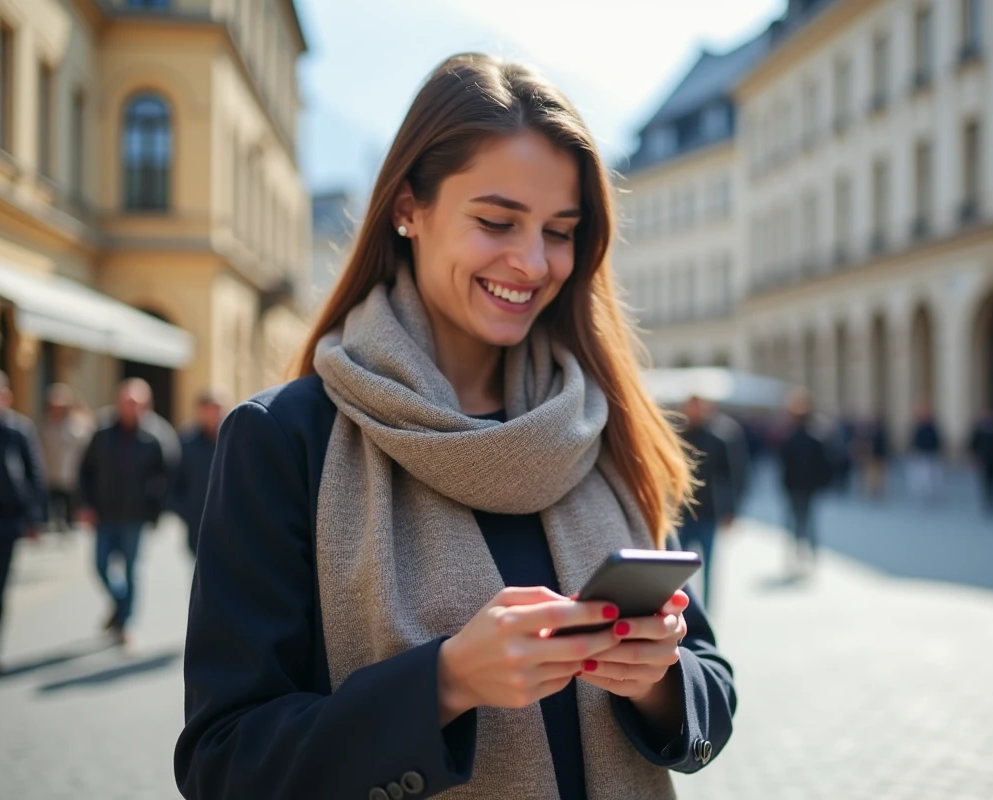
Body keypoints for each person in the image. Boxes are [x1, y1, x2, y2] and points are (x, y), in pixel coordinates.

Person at [174, 54, 736, 800]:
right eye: (497, 221)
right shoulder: (283, 440)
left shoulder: (598, 423)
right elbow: (223, 761)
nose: (533, 262)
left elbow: (709, 688)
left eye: (560, 231)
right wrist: (443, 684)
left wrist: (661, 679)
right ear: (408, 207)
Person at [78, 379, 175, 645]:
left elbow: (166, 477)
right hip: (104, 514)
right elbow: (86, 470)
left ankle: (126, 623)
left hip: (135, 516)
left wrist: (157, 511)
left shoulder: (155, 437)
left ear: (146, 405)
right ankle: (121, 606)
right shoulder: (102, 433)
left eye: (136, 403)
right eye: (126, 402)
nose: (130, 408)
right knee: (99, 566)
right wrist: (85, 504)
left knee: (131, 570)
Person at [0, 368, 46, 676]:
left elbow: (35, 473)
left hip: (6, 523)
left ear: (6, 397)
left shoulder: (19, 430)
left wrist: (35, 517)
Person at [677, 395, 739, 610]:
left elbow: (729, 476)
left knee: (709, 567)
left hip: (709, 513)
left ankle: (706, 610)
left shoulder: (717, 438)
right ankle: (683, 609)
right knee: (677, 569)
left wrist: (730, 510)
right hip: (681, 514)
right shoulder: (678, 437)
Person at [777, 389, 832, 569]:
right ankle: (800, 556)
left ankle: (804, 555)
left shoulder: (805, 437)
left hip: (803, 486)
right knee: (802, 522)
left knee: (802, 522)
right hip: (799, 486)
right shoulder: (795, 437)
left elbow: (823, 463)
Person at [172, 390, 227, 558]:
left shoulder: (232, 437)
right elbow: (174, 479)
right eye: (208, 409)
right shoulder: (187, 440)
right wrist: (185, 511)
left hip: (227, 518)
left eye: (217, 408)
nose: (212, 414)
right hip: (197, 519)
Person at [39, 383, 94, 536]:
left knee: (69, 507)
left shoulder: (77, 425)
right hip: (51, 473)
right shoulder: (46, 425)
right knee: (52, 507)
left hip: (71, 474)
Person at [970, 410, 993, 516]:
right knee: (986, 481)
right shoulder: (980, 430)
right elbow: (974, 444)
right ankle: (987, 500)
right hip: (985, 459)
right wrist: (976, 457)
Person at [908, 404, 943, 501]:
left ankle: (929, 491)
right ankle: (921, 491)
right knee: (920, 474)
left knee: (930, 474)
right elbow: (914, 439)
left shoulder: (932, 427)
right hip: (920, 452)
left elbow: (936, 440)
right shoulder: (918, 426)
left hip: (930, 452)